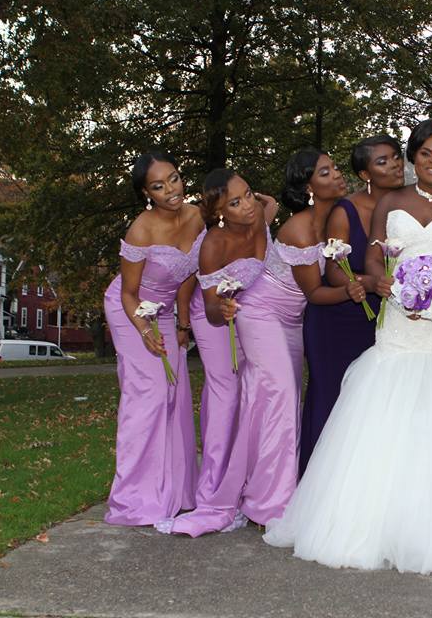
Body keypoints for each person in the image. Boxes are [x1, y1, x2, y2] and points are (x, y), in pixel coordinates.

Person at [264, 119, 432, 575]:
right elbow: (373, 256)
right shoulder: (391, 200)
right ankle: (372, 523)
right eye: (426, 154)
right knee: (387, 412)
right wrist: (383, 281)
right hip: (400, 319)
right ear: (413, 157)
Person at [226, 149, 364, 526]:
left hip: (292, 320)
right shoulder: (300, 228)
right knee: (283, 395)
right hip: (261, 314)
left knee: (284, 400)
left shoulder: (341, 217)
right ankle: (271, 505)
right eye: (326, 171)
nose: (337, 174)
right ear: (309, 187)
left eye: (335, 167)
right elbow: (316, 293)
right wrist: (358, 288)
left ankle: (281, 488)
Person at [159, 169, 276, 537]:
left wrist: (262, 202)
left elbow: (269, 207)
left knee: (251, 394)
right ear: (220, 212)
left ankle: (246, 482)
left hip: (249, 315)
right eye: (236, 202)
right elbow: (209, 309)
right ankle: (212, 493)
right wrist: (221, 309)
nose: (248, 206)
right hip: (214, 320)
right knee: (226, 394)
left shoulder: (260, 215)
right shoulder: (214, 244)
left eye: (249, 194)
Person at [102, 151, 202, 525]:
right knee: (149, 396)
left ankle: (174, 490)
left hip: (165, 312)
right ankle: (134, 497)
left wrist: (181, 323)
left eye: (174, 179)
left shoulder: (196, 215)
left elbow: (187, 274)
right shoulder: (141, 230)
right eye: (159, 186)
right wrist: (145, 330)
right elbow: (128, 293)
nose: (171, 190)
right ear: (147, 193)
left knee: (175, 393)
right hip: (131, 311)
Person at [300, 135, 404, 475]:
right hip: (338, 320)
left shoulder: (409, 208)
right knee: (332, 400)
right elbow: (331, 269)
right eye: (383, 161)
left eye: (397, 157)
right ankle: (317, 484)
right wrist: (362, 283)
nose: (395, 165)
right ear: (365, 175)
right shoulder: (346, 211)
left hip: (386, 324)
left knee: (372, 406)